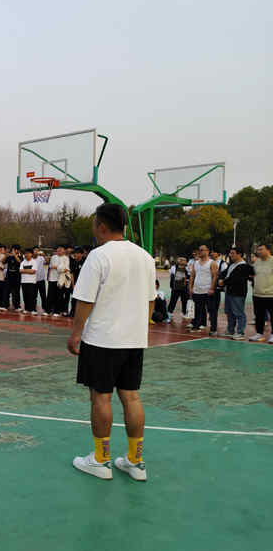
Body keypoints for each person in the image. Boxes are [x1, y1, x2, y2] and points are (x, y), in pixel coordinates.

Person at [68, 203, 156, 482]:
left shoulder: (98, 256)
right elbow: (151, 301)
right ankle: (135, 461)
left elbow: (85, 300)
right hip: (134, 339)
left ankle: (101, 459)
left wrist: (75, 333)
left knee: (101, 396)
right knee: (131, 396)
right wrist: (138, 328)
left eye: (94, 223)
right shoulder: (145, 257)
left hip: (103, 339)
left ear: (102, 226)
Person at [220, 247, 252, 340]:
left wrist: (223, 282)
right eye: (230, 253)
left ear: (239, 254)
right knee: (229, 312)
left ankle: (240, 332)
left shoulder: (243, 266)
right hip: (229, 292)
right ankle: (230, 330)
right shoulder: (232, 264)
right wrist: (221, 278)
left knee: (238, 313)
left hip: (238, 293)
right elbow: (223, 273)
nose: (231, 255)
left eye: (233, 253)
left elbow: (235, 279)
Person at [188, 245, 218, 334]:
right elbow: (192, 276)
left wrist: (212, 288)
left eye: (202, 250)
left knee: (212, 311)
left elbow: (215, 276)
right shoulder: (195, 263)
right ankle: (196, 326)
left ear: (207, 251)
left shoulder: (212, 263)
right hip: (197, 290)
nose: (200, 252)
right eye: (199, 250)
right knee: (197, 310)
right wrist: (190, 287)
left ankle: (213, 329)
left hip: (207, 290)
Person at [249, 243, 273, 343]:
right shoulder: (256, 262)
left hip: (271, 294)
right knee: (259, 316)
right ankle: (259, 333)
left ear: (268, 250)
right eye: (258, 250)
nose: (259, 252)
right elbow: (252, 275)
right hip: (257, 294)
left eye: (261, 249)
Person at [167, 257, 190, 322]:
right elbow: (171, 276)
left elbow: (189, 276)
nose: (181, 261)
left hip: (184, 288)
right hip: (175, 288)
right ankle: (169, 313)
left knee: (184, 300)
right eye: (180, 260)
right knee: (173, 300)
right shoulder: (173, 268)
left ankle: (184, 313)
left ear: (186, 262)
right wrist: (172, 285)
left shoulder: (188, 268)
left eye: (183, 260)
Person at [19, 248, 39, 315]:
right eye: (25, 253)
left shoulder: (34, 262)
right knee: (25, 296)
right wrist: (29, 270)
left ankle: (33, 309)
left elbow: (33, 271)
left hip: (32, 282)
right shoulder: (23, 262)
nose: (26, 254)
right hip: (24, 281)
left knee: (32, 296)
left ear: (31, 254)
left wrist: (24, 270)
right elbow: (20, 270)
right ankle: (27, 309)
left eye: (28, 253)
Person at [5, 245, 22, 311]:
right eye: (12, 250)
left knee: (16, 293)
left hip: (17, 278)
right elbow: (3, 261)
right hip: (9, 277)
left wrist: (15, 255)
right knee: (7, 292)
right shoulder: (9, 257)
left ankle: (17, 306)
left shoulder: (21, 257)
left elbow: (20, 262)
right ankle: (6, 305)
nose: (12, 251)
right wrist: (6, 255)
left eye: (14, 250)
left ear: (17, 250)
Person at [33, 247, 48, 315]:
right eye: (35, 250)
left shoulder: (41, 258)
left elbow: (47, 262)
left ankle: (45, 309)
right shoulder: (31, 259)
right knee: (34, 295)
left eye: (37, 250)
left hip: (41, 280)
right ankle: (33, 308)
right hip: (33, 280)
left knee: (43, 295)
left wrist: (44, 255)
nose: (36, 251)